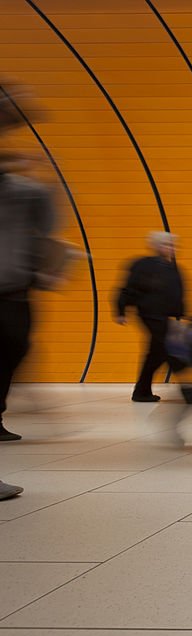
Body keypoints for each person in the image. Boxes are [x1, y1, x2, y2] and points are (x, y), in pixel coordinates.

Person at [0, 151, 56, 442]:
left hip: (13, 290)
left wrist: (48, 177)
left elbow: (50, 224)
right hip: (13, 286)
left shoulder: (26, 191)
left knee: (14, 349)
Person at [115, 232, 192, 405]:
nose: (172, 248)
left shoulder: (172, 267)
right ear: (156, 246)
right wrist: (120, 310)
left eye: (173, 245)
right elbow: (127, 289)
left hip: (164, 316)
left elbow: (176, 295)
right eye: (167, 244)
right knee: (169, 348)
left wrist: (186, 314)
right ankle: (189, 389)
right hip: (150, 314)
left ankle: (142, 391)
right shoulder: (143, 265)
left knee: (155, 354)